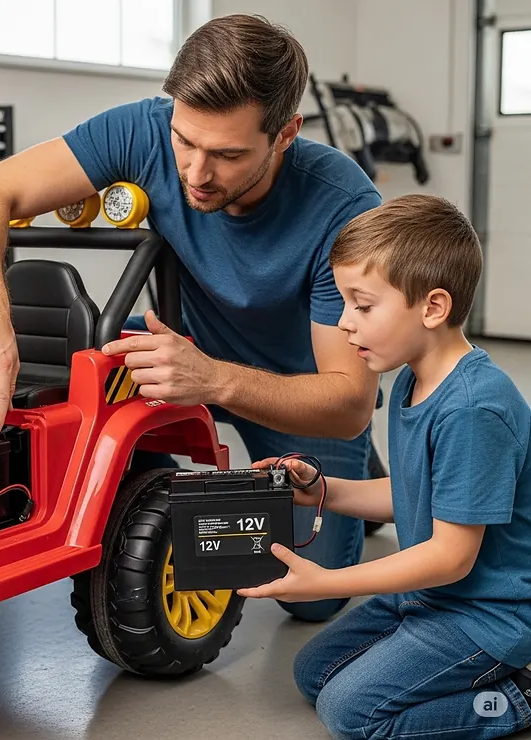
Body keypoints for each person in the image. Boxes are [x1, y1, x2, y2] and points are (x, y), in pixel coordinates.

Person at [0, 14, 381, 622]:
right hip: (181, 359)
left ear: (285, 134)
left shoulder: (346, 208)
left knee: (316, 596)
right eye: (185, 141)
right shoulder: (144, 129)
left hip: (299, 385)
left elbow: (349, 400)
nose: (196, 174)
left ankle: (356, 462)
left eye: (227, 154)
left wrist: (217, 381)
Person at [240, 193, 531, 739]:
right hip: (429, 598)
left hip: (487, 616)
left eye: (362, 305)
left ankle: (517, 699)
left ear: (433, 308)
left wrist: (330, 580)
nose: (345, 324)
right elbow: (414, 495)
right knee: (312, 674)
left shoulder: (473, 410)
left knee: (353, 713)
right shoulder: (412, 381)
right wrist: (322, 490)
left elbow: (451, 557)